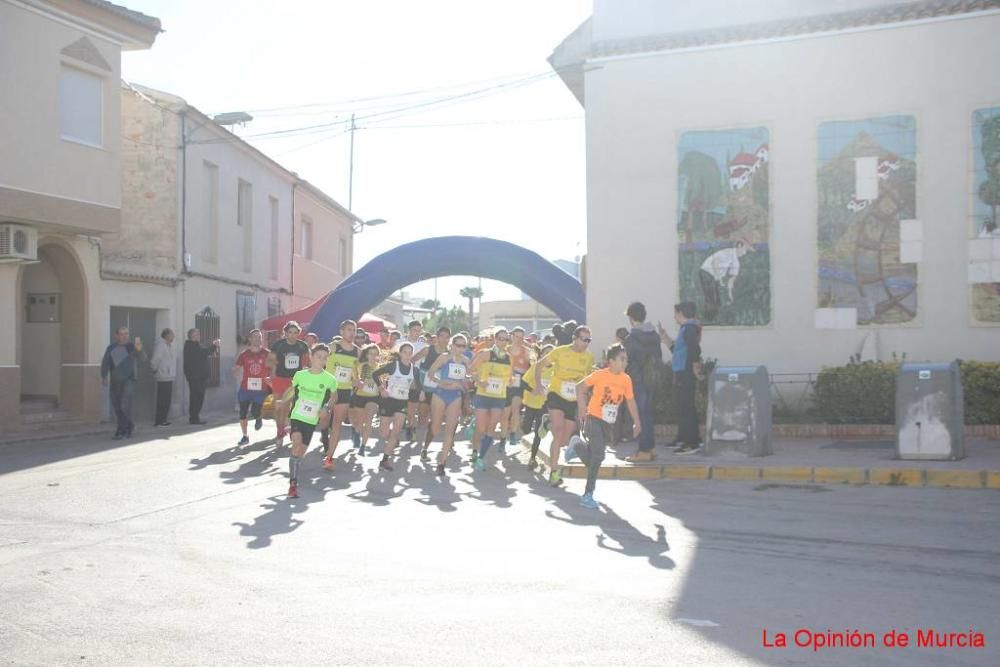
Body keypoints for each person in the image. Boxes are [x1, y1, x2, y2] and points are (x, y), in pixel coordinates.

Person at [566, 344, 641, 509]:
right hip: (593, 418)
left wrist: (637, 421)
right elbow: (580, 387)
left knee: (596, 458)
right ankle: (587, 494)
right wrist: (581, 408)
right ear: (611, 361)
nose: (625, 362)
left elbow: (630, 401)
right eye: (622, 359)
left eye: (626, 359)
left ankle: (577, 445)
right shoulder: (600, 375)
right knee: (598, 456)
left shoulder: (626, 379)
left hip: (609, 423)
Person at [533, 326, 595, 486]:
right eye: (584, 339)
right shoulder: (560, 352)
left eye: (589, 340)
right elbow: (539, 365)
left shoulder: (589, 357)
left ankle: (547, 422)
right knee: (558, 432)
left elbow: (587, 380)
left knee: (563, 440)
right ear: (575, 338)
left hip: (573, 399)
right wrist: (539, 385)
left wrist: (587, 399)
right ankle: (554, 472)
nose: (587, 343)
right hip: (557, 395)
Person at [282, 344, 336, 498]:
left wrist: (326, 407)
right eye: (318, 356)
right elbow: (292, 390)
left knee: (300, 453)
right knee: (296, 444)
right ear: (311, 357)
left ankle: (295, 467)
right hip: (297, 415)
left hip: (311, 420)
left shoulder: (329, 379)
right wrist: (282, 401)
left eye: (324, 358)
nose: (321, 360)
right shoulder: (300, 375)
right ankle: (293, 484)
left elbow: (334, 397)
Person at [659, 302, 704, 454]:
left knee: (686, 408)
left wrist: (695, 366)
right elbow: (679, 351)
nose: (674, 316)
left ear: (681, 313)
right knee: (684, 407)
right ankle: (686, 438)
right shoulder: (686, 329)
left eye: (675, 313)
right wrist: (665, 338)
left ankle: (691, 444)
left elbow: (694, 350)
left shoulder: (689, 329)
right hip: (682, 371)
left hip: (685, 373)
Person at [623, 302, 664, 463]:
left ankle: (644, 451)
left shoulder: (632, 338)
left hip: (637, 381)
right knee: (647, 414)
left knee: (639, 416)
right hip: (651, 379)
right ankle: (650, 447)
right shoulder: (654, 336)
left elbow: (626, 360)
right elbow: (659, 357)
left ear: (631, 318)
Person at [468, 327, 513, 471]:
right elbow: (471, 370)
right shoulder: (485, 354)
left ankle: (480, 457)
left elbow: (509, 377)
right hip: (483, 395)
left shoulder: (508, 358)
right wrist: (479, 381)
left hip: (499, 397)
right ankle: (474, 450)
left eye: (506, 339)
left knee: (491, 428)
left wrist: (510, 381)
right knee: (481, 428)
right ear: (495, 339)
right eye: (501, 339)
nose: (503, 342)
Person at [425, 334, 470, 476]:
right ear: (452, 345)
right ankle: (425, 447)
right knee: (436, 428)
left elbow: (471, 376)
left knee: (450, 430)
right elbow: (431, 373)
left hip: (455, 396)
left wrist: (470, 380)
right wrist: (441, 382)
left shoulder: (466, 361)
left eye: (463, 346)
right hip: (440, 394)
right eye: (458, 345)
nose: (460, 348)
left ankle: (441, 463)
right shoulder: (444, 358)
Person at [321, 320, 362, 471]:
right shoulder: (333, 347)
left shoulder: (357, 352)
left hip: (344, 391)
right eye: (349, 330)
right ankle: (324, 434)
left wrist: (357, 380)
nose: (352, 333)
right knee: (324, 418)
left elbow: (357, 372)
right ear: (341, 332)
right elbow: (319, 361)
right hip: (327, 388)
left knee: (337, 423)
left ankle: (329, 458)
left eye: (354, 330)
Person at [373, 342, 418, 471]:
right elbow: (375, 374)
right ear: (400, 353)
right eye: (405, 352)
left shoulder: (414, 369)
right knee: (384, 432)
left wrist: (419, 394)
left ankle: (385, 460)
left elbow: (417, 386)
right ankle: (392, 440)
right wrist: (382, 389)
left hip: (402, 403)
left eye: (410, 353)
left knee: (397, 430)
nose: (408, 355)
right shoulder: (394, 366)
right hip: (389, 401)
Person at [268, 321, 310, 447]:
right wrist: (272, 373)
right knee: (277, 407)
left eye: (295, 332)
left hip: (294, 380)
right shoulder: (278, 345)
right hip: (279, 379)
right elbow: (270, 361)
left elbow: (307, 363)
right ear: (285, 333)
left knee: (286, 406)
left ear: (299, 333)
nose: (292, 335)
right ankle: (280, 429)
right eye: (290, 332)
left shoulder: (302, 346)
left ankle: (282, 432)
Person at [100, 326, 145, 440]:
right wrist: (104, 376)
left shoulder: (131, 347)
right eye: (122, 334)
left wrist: (139, 350)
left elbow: (143, 358)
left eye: (126, 334)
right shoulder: (111, 348)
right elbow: (106, 362)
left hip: (129, 380)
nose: (124, 336)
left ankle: (122, 430)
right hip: (116, 381)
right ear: (117, 336)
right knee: (117, 406)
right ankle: (129, 426)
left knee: (124, 405)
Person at [419, 326, 452, 460]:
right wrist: (419, 386)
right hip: (426, 389)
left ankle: (425, 448)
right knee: (423, 419)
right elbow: (412, 362)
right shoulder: (428, 350)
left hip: (441, 390)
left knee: (437, 420)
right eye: (442, 336)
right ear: (437, 337)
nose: (444, 339)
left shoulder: (450, 354)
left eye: (447, 337)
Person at [699, 240, 752, 321]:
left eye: (747, 251)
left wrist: (730, 295)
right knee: (711, 298)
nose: (745, 253)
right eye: (745, 249)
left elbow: (731, 280)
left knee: (719, 301)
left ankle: (712, 319)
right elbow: (714, 262)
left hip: (715, 277)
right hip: (706, 272)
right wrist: (719, 278)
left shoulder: (736, 263)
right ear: (739, 246)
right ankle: (707, 319)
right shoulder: (728, 252)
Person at [521, 344, 554, 470]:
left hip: (545, 405)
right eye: (546, 352)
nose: (549, 355)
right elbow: (523, 383)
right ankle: (524, 422)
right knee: (526, 429)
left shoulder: (557, 369)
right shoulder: (536, 367)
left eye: (551, 353)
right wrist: (533, 389)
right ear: (541, 355)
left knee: (538, 433)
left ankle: (532, 458)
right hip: (531, 403)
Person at [233, 329, 269, 445]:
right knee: (242, 413)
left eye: (259, 337)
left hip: (260, 389)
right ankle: (245, 436)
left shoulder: (267, 353)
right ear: (250, 339)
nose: (257, 339)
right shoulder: (244, 354)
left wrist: (271, 379)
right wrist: (235, 370)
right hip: (245, 388)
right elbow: (237, 367)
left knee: (254, 410)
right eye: (255, 337)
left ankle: (258, 417)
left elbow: (274, 367)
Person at [397, 320, 430, 442]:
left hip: (414, 378)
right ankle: (397, 432)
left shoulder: (423, 346)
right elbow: (392, 360)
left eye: (419, 330)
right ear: (409, 330)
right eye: (414, 330)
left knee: (411, 408)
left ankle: (411, 428)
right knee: (399, 409)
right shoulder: (399, 343)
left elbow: (425, 365)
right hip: (399, 378)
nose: (416, 333)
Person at [350, 343, 382, 455]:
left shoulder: (381, 367)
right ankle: (356, 433)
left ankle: (363, 446)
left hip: (373, 398)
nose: (373, 356)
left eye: (375, 354)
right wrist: (357, 382)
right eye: (371, 354)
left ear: (378, 355)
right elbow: (355, 379)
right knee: (359, 422)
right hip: (360, 396)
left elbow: (383, 384)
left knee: (368, 420)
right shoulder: (361, 365)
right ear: (366, 355)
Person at [503, 327, 533, 448]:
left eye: (521, 337)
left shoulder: (526, 352)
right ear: (511, 336)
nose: (519, 339)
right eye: (517, 336)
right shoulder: (505, 350)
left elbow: (531, 367)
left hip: (519, 384)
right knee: (505, 413)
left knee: (516, 409)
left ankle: (513, 434)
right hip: (506, 384)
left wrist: (519, 372)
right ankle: (503, 436)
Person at [183, 328, 220, 425]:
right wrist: (214, 346)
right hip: (195, 377)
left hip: (200, 377)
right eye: (197, 334)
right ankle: (194, 418)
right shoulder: (190, 346)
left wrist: (214, 347)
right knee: (196, 397)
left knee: (199, 397)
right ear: (191, 336)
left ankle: (195, 417)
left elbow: (205, 352)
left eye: (199, 333)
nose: (199, 335)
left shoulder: (196, 345)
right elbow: (203, 352)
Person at [150, 328, 176, 426]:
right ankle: (159, 420)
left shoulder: (169, 345)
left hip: (169, 376)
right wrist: (154, 369)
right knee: (162, 399)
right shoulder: (161, 345)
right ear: (167, 335)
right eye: (172, 334)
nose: (174, 336)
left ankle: (163, 419)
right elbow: (156, 359)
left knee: (167, 399)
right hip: (163, 375)